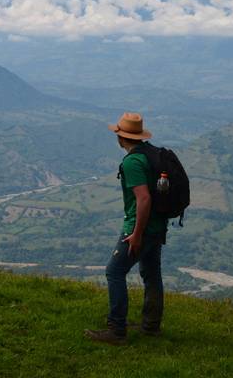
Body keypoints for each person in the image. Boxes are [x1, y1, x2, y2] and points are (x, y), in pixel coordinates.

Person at [84, 112, 168, 345]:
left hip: (139, 227)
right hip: (158, 224)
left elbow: (143, 199)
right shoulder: (151, 153)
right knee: (152, 274)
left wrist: (136, 234)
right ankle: (151, 327)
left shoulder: (132, 161)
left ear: (121, 138)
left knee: (114, 271)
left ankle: (117, 330)